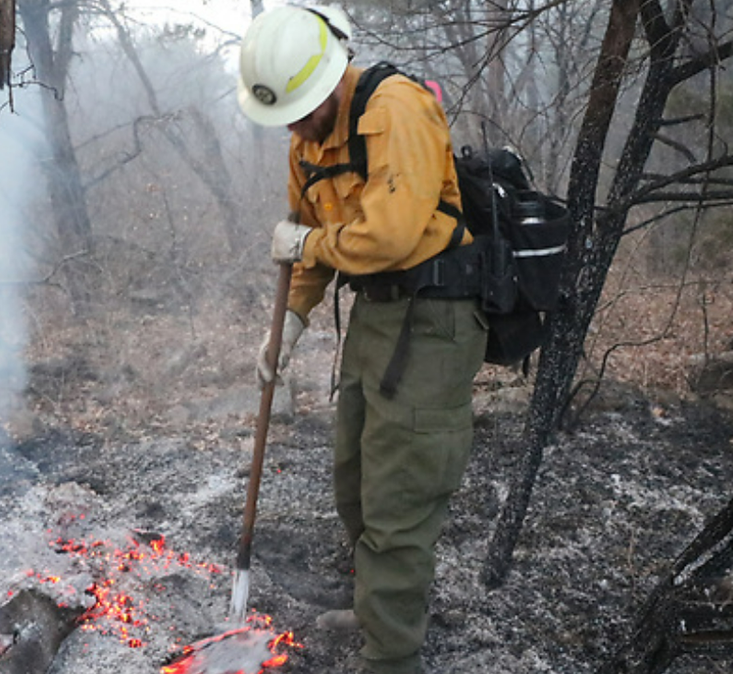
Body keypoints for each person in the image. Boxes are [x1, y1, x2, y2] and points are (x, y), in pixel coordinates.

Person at [236, 5, 488, 674]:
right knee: (354, 481)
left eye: (300, 109)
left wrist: (309, 242)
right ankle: (380, 607)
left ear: (328, 80)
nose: (293, 126)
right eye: (284, 115)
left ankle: (392, 656)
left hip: (435, 318)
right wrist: (286, 329)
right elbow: (306, 254)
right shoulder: (305, 142)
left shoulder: (395, 108)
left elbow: (391, 235)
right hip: (377, 318)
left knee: (400, 497)